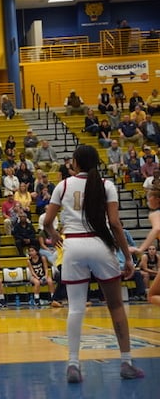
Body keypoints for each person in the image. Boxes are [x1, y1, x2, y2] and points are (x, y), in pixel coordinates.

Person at [43, 144, 144, 383]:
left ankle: (73, 364)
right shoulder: (106, 185)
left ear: (75, 163)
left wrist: (54, 235)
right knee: (116, 306)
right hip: (100, 244)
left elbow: (47, 221)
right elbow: (115, 223)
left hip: (74, 247)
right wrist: (128, 258)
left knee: (76, 308)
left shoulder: (63, 185)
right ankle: (127, 362)